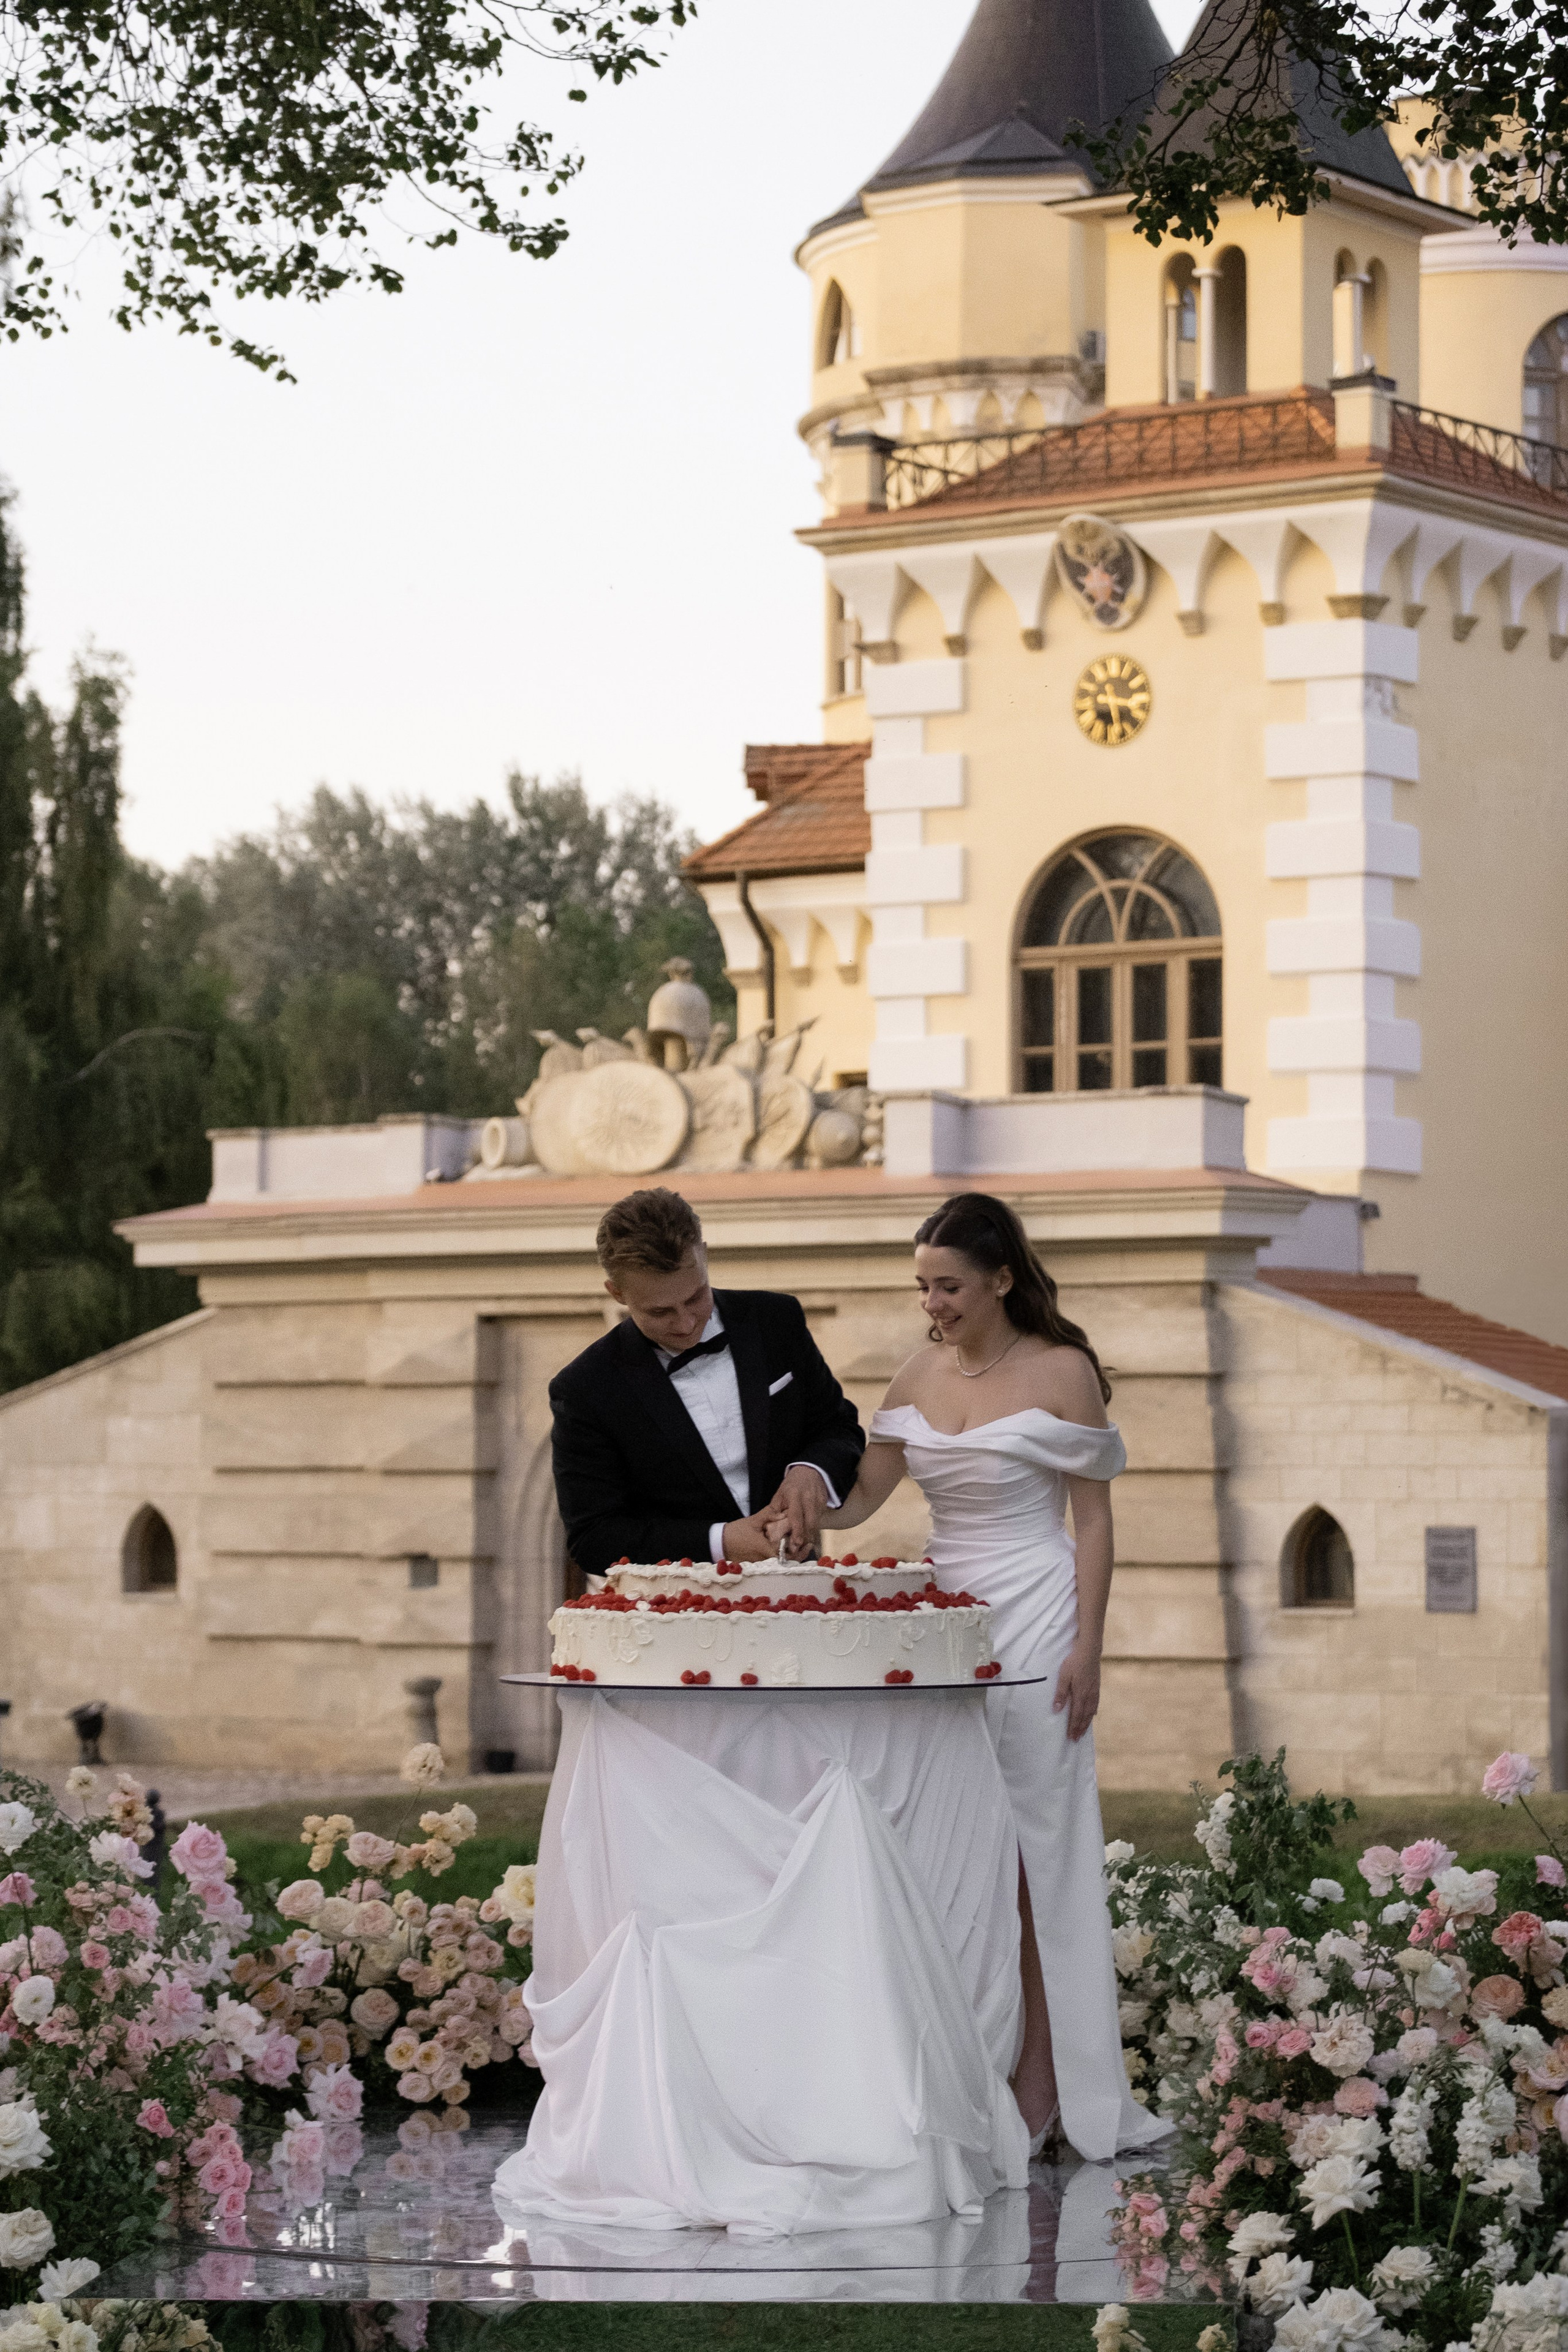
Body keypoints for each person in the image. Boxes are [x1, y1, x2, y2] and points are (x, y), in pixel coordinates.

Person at [796, 1189, 1172, 2166]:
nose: (933, 1304)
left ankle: (1051, 2081)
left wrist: (1089, 1646)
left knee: (1042, 1846)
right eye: (923, 1285)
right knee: (954, 1841)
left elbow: (1092, 1520)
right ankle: (969, 2060)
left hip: (1040, 1610)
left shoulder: (1062, 1372)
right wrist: (804, 1509)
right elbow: (868, 1494)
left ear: (1002, 1279)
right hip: (944, 1620)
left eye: (950, 1285)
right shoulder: (918, 1369)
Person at [550, 1186, 865, 1574]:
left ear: (705, 1254)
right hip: (673, 1615)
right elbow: (595, 1538)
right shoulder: (585, 1388)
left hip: (796, 1591)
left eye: (697, 1297)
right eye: (661, 1311)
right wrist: (721, 1541)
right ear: (616, 1292)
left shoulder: (776, 1320)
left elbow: (838, 1426)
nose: (685, 1324)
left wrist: (811, 1471)